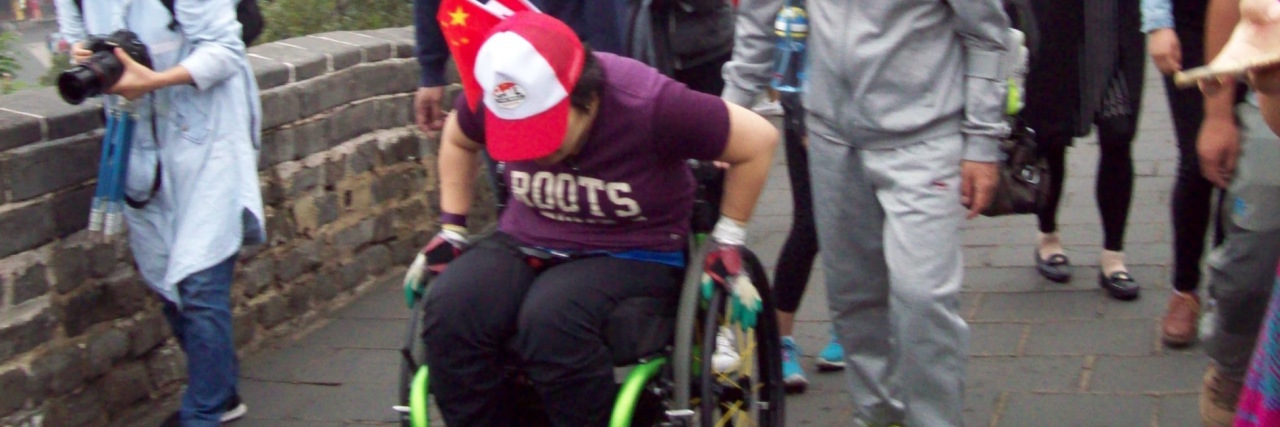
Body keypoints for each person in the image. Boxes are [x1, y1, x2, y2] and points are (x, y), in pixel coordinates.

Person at [403, 12, 778, 426]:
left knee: (553, 319)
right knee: (452, 309)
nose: (536, 152)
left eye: (543, 133)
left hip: (633, 248)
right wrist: (452, 229)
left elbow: (758, 140)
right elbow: (459, 138)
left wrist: (728, 238)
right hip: (527, 237)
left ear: (585, 96)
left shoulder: (648, 102)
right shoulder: (499, 91)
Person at [722, 0, 1008, 425]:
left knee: (923, 297)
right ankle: (877, 415)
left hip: (926, 138)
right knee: (855, 299)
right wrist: (730, 112)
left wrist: (982, 141)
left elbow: (987, 35)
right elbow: (759, 20)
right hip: (833, 139)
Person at [53, 0, 263, 425]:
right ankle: (220, 394)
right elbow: (77, 40)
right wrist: (83, 53)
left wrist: (156, 80)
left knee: (199, 280)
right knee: (166, 279)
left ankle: (202, 414)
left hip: (207, 136)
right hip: (138, 143)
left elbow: (225, 49)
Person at [1023, 0, 1145, 300]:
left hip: (1114, 34)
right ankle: (1048, 236)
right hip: (1055, 32)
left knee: (1119, 134)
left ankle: (1113, 256)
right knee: (1052, 139)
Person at [412, 0, 629, 137]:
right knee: (511, 175)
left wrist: (605, 73)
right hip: (494, 68)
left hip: (566, 68)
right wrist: (431, 71)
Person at [1143, 0, 1223, 346]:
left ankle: (1227, 292)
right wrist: (1158, 23)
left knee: (1243, 163)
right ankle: (1185, 290)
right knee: (1197, 160)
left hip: (1258, 19)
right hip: (1189, 23)